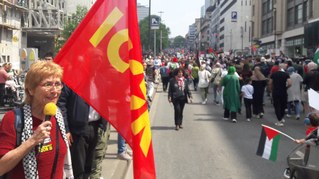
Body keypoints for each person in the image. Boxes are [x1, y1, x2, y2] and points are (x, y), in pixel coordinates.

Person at [0, 61, 72, 178]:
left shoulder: (57, 116)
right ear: (30, 90)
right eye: (48, 84)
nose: (55, 91)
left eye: (58, 84)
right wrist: (32, 141)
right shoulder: (13, 118)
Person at [57, 84, 106, 179]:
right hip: (78, 129)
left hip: (96, 126)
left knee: (90, 165)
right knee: (78, 167)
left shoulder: (99, 80)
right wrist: (66, 129)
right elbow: (61, 104)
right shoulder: (73, 81)